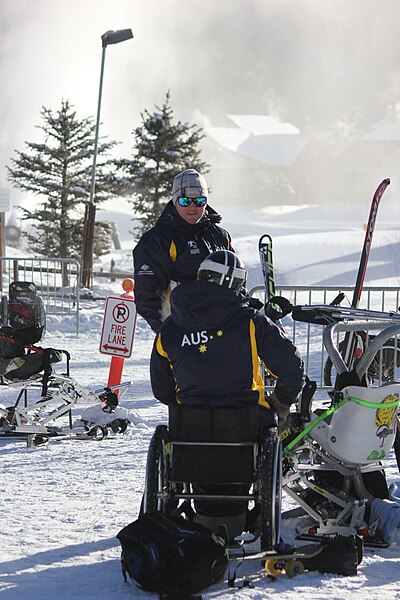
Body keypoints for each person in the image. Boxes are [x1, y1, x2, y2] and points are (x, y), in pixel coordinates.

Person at [149, 249, 305, 537]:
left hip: (189, 434)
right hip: (246, 430)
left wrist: (191, 404)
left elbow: (162, 389)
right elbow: (293, 370)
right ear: (236, 284)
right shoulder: (251, 321)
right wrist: (280, 403)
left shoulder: (169, 329)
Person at [132, 168, 235, 333]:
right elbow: (148, 296)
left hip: (223, 332)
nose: (193, 207)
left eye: (200, 201)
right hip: (182, 333)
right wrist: (170, 335)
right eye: (186, 201)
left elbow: (237, 285)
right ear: (174, 200)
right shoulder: (157, 240)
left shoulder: (220, 237)